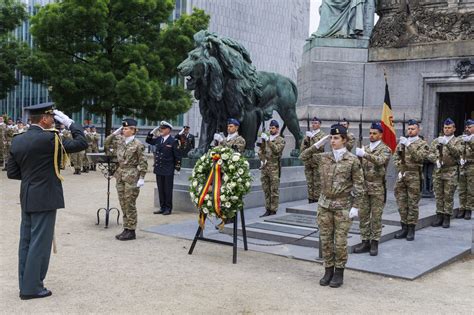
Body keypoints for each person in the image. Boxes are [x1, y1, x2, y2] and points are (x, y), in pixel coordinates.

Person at [7, 103, 87, 300]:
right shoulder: (51, 139)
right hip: (45, 197)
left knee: (26, 242)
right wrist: (70, 123)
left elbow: (12, 173)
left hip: (27, 196)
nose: (54, 120)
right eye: (52, 117)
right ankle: (32, 288)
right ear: (43, 119)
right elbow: (81, 142)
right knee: (40, 244)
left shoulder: (18, 140)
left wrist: (33, 179)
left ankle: (25, 283)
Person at [317, 124, 364, 288]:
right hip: (325, 205)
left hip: (343, 206)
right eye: (331, 137)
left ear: (344, 140)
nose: (332, 141)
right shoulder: (325, 157)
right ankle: (328, 269)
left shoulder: (352, 160)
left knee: (340, 241)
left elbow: (359, 185)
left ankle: (339, 272)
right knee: (326, 240)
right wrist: (317, 144)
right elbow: (304, 156)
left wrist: (356, 207)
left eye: (336, 138)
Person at [105, 119, 148, 240]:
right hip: (120, 175)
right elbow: (106, 143)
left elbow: (143, 162)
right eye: (123, 128)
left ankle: (132, 230)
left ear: (134, 130)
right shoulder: (120, 141)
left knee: (130, 203)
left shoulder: (138, 144)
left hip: (132, 176)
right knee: (123, 202)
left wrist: (142, 178)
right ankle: (126, 228)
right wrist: (114, 134)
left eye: (127, 128)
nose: (124, 130)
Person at [353, 122, 392, 256]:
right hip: (364, 187)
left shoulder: (385, 149)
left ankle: (374, 242)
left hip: (377, 187)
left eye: (374, 133)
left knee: (376, 217)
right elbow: (359, 166)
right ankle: (365, 241)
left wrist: (364, 154)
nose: (372, 135)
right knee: (363, 215)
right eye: (370, 133)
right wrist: (358, 157)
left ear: (381, 135)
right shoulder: (365, 147)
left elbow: (381, 161)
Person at [393, 119, 429, 241]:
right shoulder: (402, 142)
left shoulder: (422, 144)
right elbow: (396, 157)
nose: (410, 131)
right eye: (409, 129)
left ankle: (411, 228)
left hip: (414, 176)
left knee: (412, 204)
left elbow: (419, 158)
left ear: (418, 129)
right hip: (402, 175)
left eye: (413, 129)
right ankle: (404, 227)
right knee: (401, 203)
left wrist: (408, 145)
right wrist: (400, 169)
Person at [428, 118, 463, 228]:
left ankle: (447, 217)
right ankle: (439, 216)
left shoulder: (458, 141)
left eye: (449, 128)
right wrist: (436, 160)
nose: (447, 130)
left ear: (454, 129)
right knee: (438, 195)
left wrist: (448, 144)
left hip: (450, 171)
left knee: (448, 195)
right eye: (445, 128)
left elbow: (458, 153)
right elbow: (429, 153)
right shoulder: (437, 140)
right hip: (438, 171)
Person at [146, 121, 181, 215]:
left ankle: (168, 208)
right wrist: (151, 132)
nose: (161, 130)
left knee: (168, 189)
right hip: (159, 168)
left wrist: (177, 168)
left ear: (169, 130)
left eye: (163, 128)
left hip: (168, 168)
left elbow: (177, 156)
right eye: (160, 128)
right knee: (160, 189)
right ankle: (162, 207)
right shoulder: (159, 139)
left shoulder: (173, 141)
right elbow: (148, 141)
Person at [258, 119, 285, 217]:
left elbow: (277, 150)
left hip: (274, 168)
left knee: (274, 190)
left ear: (277, 129)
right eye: (270, 128)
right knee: (266, 189)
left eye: (273, 128)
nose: (271, 130)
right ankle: (267, 209)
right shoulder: (266, 138)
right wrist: (262, 159)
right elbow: (260, 151)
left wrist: (268, 140)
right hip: (265, 167)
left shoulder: (281, 140)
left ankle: (273, 210)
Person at [299, 117, 327, 203]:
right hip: (308, 162)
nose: (313, 125)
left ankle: (316, 199)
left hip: (317, 162)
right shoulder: (308, 135)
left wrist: (313, 138)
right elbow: (302, 149)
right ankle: (310, 198)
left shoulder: (322, 135)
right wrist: (306, 140)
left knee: (317, 182)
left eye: (315, 123)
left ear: (319, 124)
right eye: (313, 123)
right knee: (309, 182)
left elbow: (321, 147)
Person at [457, 119, 473, 220]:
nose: (467, 129)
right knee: (462, 189)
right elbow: (455, 150)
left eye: (469, 127)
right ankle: (462, 208)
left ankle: (468, 210)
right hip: (462, 166)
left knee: (471, 189)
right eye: (466, 127)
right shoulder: (461, 138)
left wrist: (470, 141)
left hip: (472, 166)